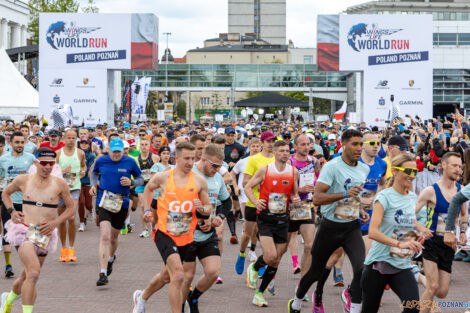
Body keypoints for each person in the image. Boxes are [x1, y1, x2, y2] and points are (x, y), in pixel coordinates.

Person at [288, 129, 370, 313]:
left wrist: (360, 210)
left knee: (361, 270)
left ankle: (355, 308)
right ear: (343, 145)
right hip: (330, 227)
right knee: (314, 273)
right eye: (354, 144)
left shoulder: (364, 168)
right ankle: (296, 303)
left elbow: (353, 196)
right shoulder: (332, 167)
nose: (359, 148)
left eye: (361, 144)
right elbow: (317, 198)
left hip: (351, 227)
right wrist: (343, 194)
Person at [131, 142, 211, 313]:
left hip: (186, 236)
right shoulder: (163, 177)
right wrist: (146, 210)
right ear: (177, 158)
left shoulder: (199, 181)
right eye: (186, 158)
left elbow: (208, 208)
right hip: (164, 232)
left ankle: (142, 297)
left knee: (166, 276)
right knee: (179, 275)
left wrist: (201, 209)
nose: (190, 162)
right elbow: (148, 189)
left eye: (193, 158)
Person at [0, 147, 75, 313]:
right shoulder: (23, 180)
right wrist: (12, 211)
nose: (47, 167)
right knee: (33, 274)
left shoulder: (59, 184)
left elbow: (71, 208)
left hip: (44, 236)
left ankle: (8, 299)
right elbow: (5, 194)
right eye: (44, 163)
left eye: (51, 163)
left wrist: (56, 222)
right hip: (23, 231)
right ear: (36, 162)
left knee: (26, 277)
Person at [361, 154, 432, 313]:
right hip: (378, 265)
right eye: (408, 171)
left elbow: (408, 221)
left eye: (415, 172)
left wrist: (419, 232)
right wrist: (401, 243)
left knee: (412, 309)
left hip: (401, 265)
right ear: (394, 171)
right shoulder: (384, 197)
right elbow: (372, 232)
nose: (412, 175)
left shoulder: (413, 197)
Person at [245, 140, 301, 307]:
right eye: (282, 150)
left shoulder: (294, 172)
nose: (285, 153)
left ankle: (259, 294)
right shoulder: (265, 170)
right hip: (266, 218)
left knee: (276, 261)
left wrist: (296, 199)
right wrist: (255, 202)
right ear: (275, 153)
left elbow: (294, 194)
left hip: (283, 219)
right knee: (271, 256)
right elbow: (248, 187)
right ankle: (255, 267)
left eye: (287, 150)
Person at [415, 152, 467, 313]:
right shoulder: (430, 191)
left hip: (449, 244)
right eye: (454, 166)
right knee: (433, 286)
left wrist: (463, 232)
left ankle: (418, 277)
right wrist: (422, 229)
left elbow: (464, 215)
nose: (458, 170)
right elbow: (409, 215)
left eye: (460, 166)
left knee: (442, 292)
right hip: (431, 242)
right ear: (443, 165)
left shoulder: (462, 190)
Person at [184, 144, 232, 313]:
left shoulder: (218, 178)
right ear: (203, 160)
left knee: (213, 272)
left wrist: (220, 217)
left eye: (220, 166)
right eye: (214, 165)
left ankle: (194, 297)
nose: (217, 169)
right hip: (186, 234)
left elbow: (226, 202)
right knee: (184, 277)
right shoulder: (188, 175)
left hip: (207, 234)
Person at [90, 138, 144, 286]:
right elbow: (94, 174)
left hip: (122, 203)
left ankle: (111, 258)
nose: (116, 155)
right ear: (108, 150)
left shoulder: (130, 162)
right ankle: (102, 273)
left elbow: (141, 178)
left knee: (113, 238)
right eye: (113, 152)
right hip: (104, 201)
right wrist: (94, 185)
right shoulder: (101, 161)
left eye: (119, 152)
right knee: (105, 236)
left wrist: (132, 182)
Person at [235, 131, 275, 275]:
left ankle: (262, 262)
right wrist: (261, 184)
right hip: (254, 201)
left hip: (271, 204)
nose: (271, 144)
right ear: (262, 143)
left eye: (273, 141)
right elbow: (246, 181)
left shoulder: (277, 159)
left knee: (264, 233)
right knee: (248, 232)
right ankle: (241, 254)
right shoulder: (253, 159)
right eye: (268, 141)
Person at [0, 132, 35, 278]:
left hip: (27, 202)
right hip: (9, 201)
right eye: (17, 142)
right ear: (11, 144)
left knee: (26, 235)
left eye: (22, 142)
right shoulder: (3, 159)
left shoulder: (31, 158)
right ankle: (8, 265)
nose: (20, 145)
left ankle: (27, 265)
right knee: (8, 233)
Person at [56, 129, 86, 262]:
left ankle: (72, 248)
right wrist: (62, 171)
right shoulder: (58, 153)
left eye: (74, 138)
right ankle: (63, 249)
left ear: (76, 139)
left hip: (74, 188)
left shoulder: (80, 153)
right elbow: (52, 172)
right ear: (64, 138)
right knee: (62, 220)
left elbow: (83, 166)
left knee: (72, 217)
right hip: (60, 190)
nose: (71, 140)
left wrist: (83, 171)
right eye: (69, 137)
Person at [231, 138, 261, 263]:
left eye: (257, 146)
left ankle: (252, 251)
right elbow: (232, 174)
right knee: (250, 227)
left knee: (256, 228)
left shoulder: (264, 161)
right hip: (245, 197)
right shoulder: (243, 161)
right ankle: (243, 251)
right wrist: (236, 186)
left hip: (260, 198)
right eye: (253, 146)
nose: (255, 148)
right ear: (249, 148)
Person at [136, 137, 159, 238]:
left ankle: (154, 224)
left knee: (153, 206)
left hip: (152, 185)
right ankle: (145, 229)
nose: (144, 147)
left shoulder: (155, 157)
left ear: (149, 146)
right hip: (141, 184)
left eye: (146, 144)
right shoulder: (136, 159)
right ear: (139, 146)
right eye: (142, 145)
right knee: (142, 205)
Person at [78, 139, 96, 232]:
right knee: (81, 202)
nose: (84, 145)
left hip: (88, 181)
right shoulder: (75, 154)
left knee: (88, 204)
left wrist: (83, 170)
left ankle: (91, 210)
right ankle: (81, 223)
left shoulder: (91, 156)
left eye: (86, 143)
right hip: (78, 182)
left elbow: (90, 169)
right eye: (82, 143)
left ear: (89, 145)